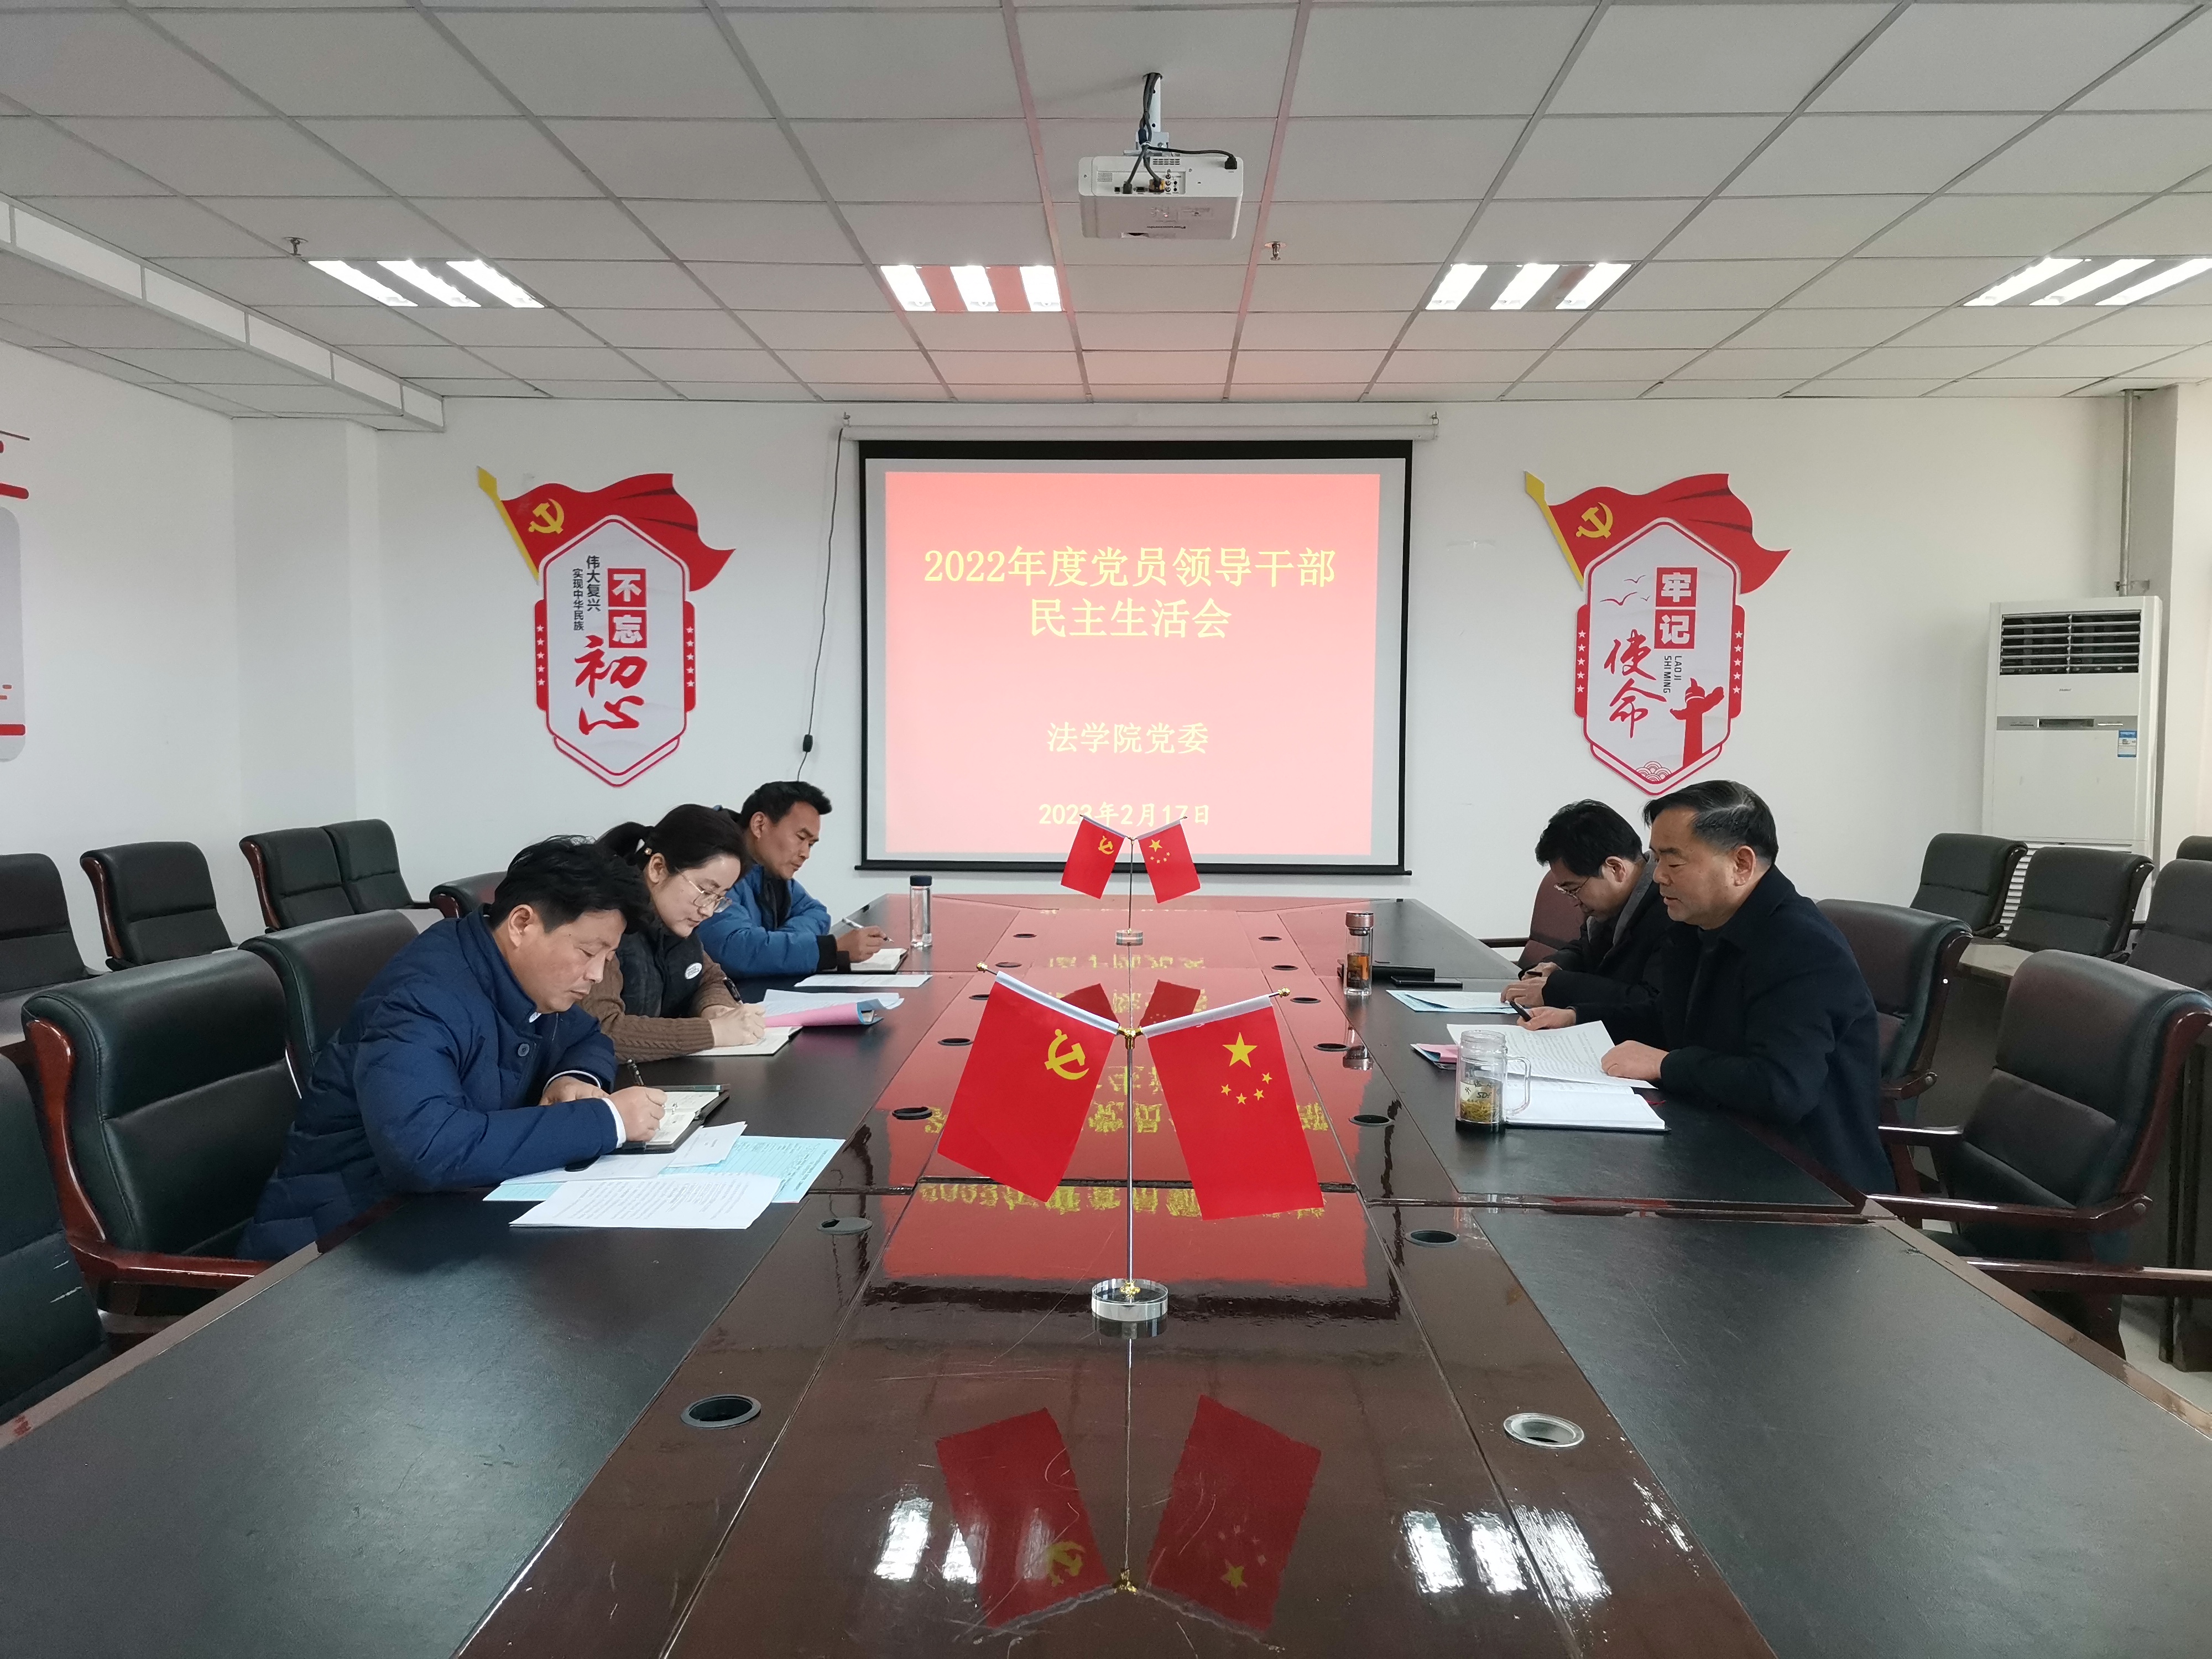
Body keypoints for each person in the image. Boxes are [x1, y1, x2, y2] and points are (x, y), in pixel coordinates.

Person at [238, 838, 668, 1259]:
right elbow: (424, 1150)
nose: (596, 975)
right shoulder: (423, 999)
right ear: (522, 924)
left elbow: (587, 1037)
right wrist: (605, 1121)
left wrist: (571, 1078)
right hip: (331, 1251)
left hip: (431, 1227)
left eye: (607, 957)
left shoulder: (520, 973)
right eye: (588, 952)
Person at [1595, 779, 1889, 1194]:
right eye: (1656, 859)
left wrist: (1666, 1065)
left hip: (1806, 1184)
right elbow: (1671, 1019)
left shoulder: (1800, 946)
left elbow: (1781, 1088)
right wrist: (1576, 1018)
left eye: (1673, 863)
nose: (1657, 876)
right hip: (1717, 1146)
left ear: (1741, 865)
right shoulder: (1698, 926)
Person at [587, 806, 768, 1061]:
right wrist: (713, 1032)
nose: (708, 911)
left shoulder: (676, 925)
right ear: (658, 868)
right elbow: (604, 1031)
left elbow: (710, 979)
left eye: (719, 898)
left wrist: (716, 1009)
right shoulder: (605, 923)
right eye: (706, 892)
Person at [696, 780, 889, 979]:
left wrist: (778, 944)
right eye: (800, 838)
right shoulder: (713, 863)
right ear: (759, 825)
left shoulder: (768, 869)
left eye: (811, 844)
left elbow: (816, 913)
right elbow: (734, 949)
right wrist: (828, 950)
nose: (806, 854)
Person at [1501, 799, 1666, 1026]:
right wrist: (1556, 966)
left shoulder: (1669, 909)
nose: (1575, 902)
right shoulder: (1610, 907)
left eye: (1574, 889)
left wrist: (1557, 988)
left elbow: (1650, 1001)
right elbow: (1586, 950)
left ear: (1615, 868)